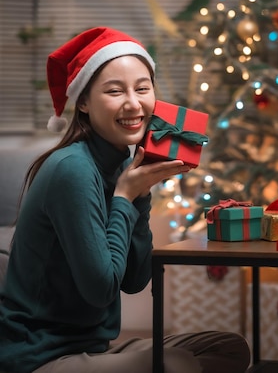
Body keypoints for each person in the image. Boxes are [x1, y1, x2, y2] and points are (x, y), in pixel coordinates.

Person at [0, 27, 250, 373]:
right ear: (83, 103)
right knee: (176, 364)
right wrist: (125, 196)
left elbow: (133, 280)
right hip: (39, 357)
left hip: (96, 349)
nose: (133, 103)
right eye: (115, 91)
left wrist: (140, 196)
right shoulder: (72, 169)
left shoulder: (121, 162)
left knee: (228, 347)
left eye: (143, 88)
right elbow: (102, 289)